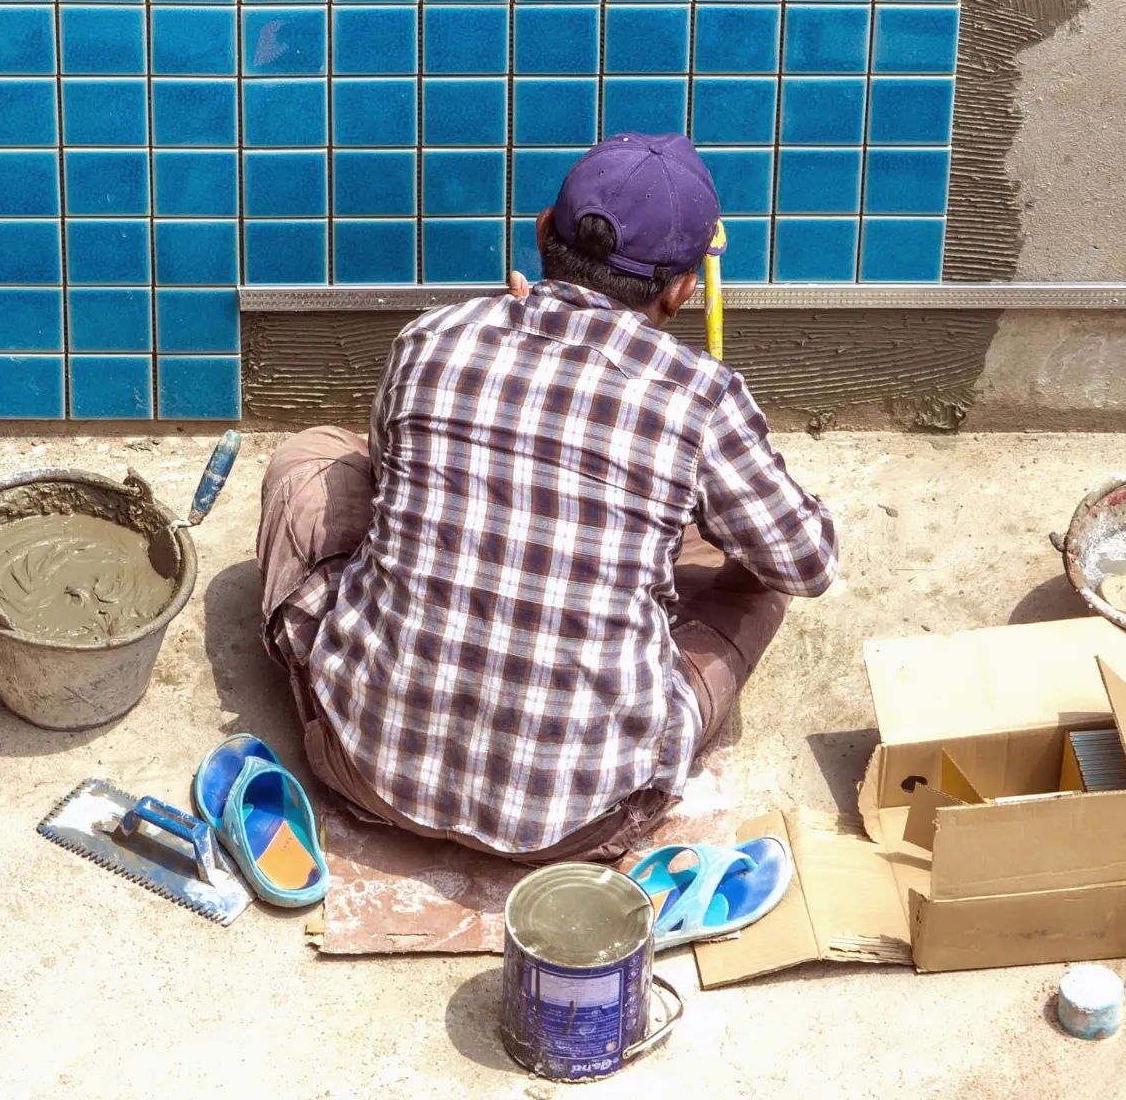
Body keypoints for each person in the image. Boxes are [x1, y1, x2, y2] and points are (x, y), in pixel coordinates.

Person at [253, 133, 841, 863]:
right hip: (577, 820)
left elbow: (386, 471)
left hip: (365, 767)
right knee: (754, 573)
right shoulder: (699, 398)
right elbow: (808, 563)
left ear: (540, 232)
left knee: (309, 456)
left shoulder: (433, 337)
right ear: (684, 288)